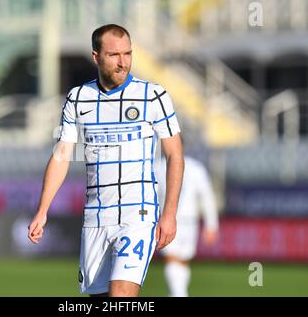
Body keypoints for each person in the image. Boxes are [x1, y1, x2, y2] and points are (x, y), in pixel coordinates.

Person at [28, 24, 184, 297]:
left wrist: (169, 214)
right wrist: (43, 210)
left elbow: (174, 155)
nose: (123, 62)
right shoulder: (78, 99)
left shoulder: (152, 95)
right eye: (114, 55)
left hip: (139, 214)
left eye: (128, 53)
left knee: (121, 293)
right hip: (96, 218)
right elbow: (62, 155)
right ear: (96, 56)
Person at [156, 155, 219, 297]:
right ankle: (178, 293)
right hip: (190, 221)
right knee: (180, 260)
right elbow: (207, 197)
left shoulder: (159, 167)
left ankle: (178, 294)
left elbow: (151, 194)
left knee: (174, 259)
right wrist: (211, 224)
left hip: (169, 219)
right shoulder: (197, 167)